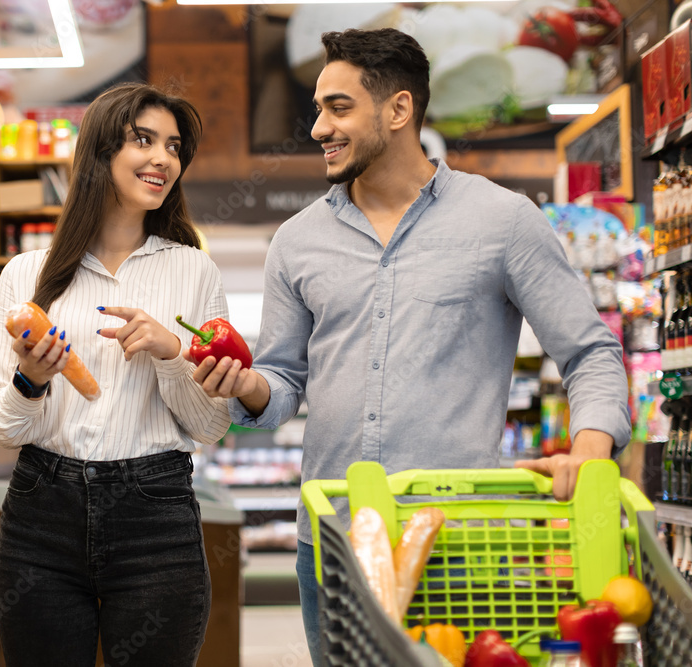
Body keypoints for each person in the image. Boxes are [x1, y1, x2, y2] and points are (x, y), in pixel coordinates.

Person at [187, 28, 631, 662]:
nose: (317, 128)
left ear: (399, 110)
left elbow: (590, 353)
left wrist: (589, 453)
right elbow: (283, 381)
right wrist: (250, 387)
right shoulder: (296, 241)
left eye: (338, 107)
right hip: (333, 537)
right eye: (318, 109)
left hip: (457, 538)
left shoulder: (502, 221)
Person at [0, 83, 231, 667]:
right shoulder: (27, 274)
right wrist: (31, 382)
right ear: (98, 152)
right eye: (143, 140)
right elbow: (1, 423)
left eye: (173, 146)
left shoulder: (194, 272)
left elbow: (212, 426)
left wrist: (173, 354)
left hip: (156, 515)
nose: (163, 158)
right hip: (42, 511)